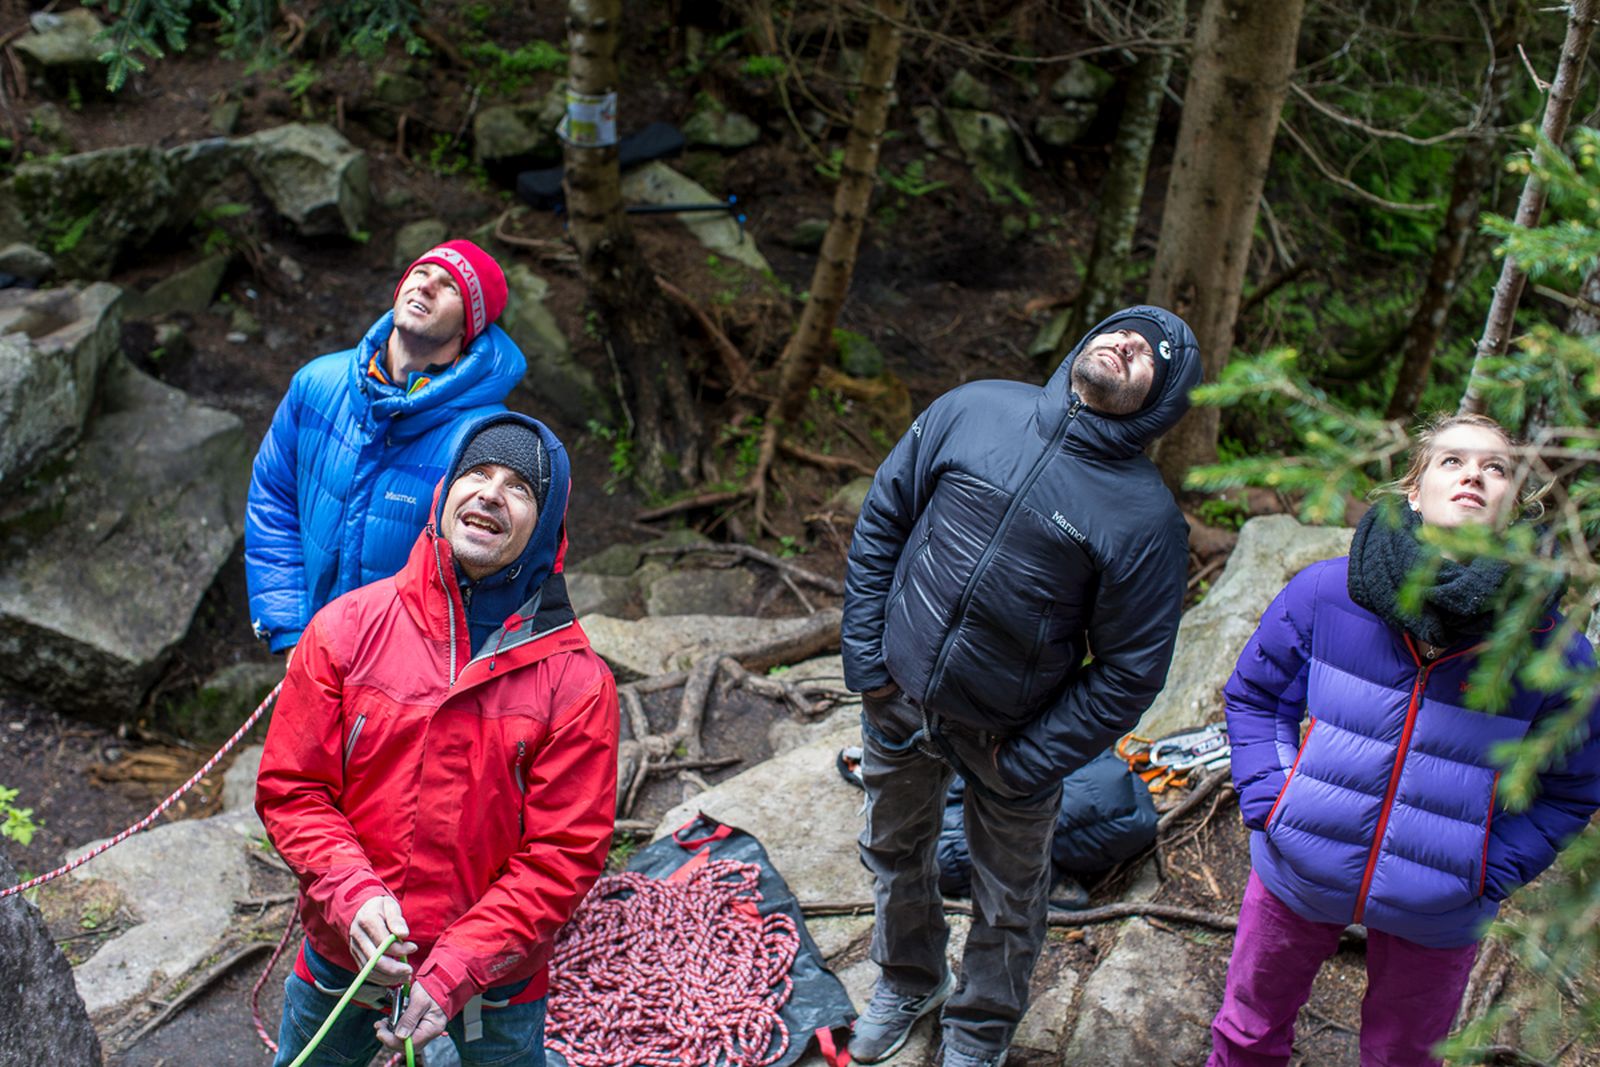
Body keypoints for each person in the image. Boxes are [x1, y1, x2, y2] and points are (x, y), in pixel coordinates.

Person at [840, 306, 1201, 1067]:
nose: (1131, 343)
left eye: (1152, 357)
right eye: (1124, 330)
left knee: (1008, 900)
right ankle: (908, 980)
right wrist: (869, 666)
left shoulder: (1146, 521)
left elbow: (1131, 670)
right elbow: (884, 520)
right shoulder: (976, 409)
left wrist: (1029, 760)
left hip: (1009, 737)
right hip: (897, 698)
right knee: (893, 850)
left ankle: (979, 1032)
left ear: (1159, 402)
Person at [1208, 412, 1600, 1067]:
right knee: (1246, 1034)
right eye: (1452, 460)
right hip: (1296, 871)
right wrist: (1270, 800)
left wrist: (1488, 867)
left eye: (1495, 466)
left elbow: (1573, 782)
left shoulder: (1554, 651)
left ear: (1515, 506)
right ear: (1413, 491)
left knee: (1405, 1057)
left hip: (1441, 906)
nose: (1474, 472)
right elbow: (1254, 696)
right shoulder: (1329, 593)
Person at [255, 413, 619, 1066]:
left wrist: (457, 965)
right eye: (476, 473)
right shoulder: (344, 630)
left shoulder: (576, 682)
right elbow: (295, 788)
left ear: (546, 526)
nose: (489, 493)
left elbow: (561, 854)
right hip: (345, 954)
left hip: (495, 984)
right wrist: (352, 893)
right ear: (444, 490)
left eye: (518, 488)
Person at [245, 239, 526, 655]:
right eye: (420, 273)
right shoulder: (317, 385)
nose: (426, 286)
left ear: (469, 328)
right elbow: (273, 501)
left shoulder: (484, 437)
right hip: (309, 651)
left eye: (449, 286)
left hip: (406, 682)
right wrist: (290, 632)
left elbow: (486, 575)